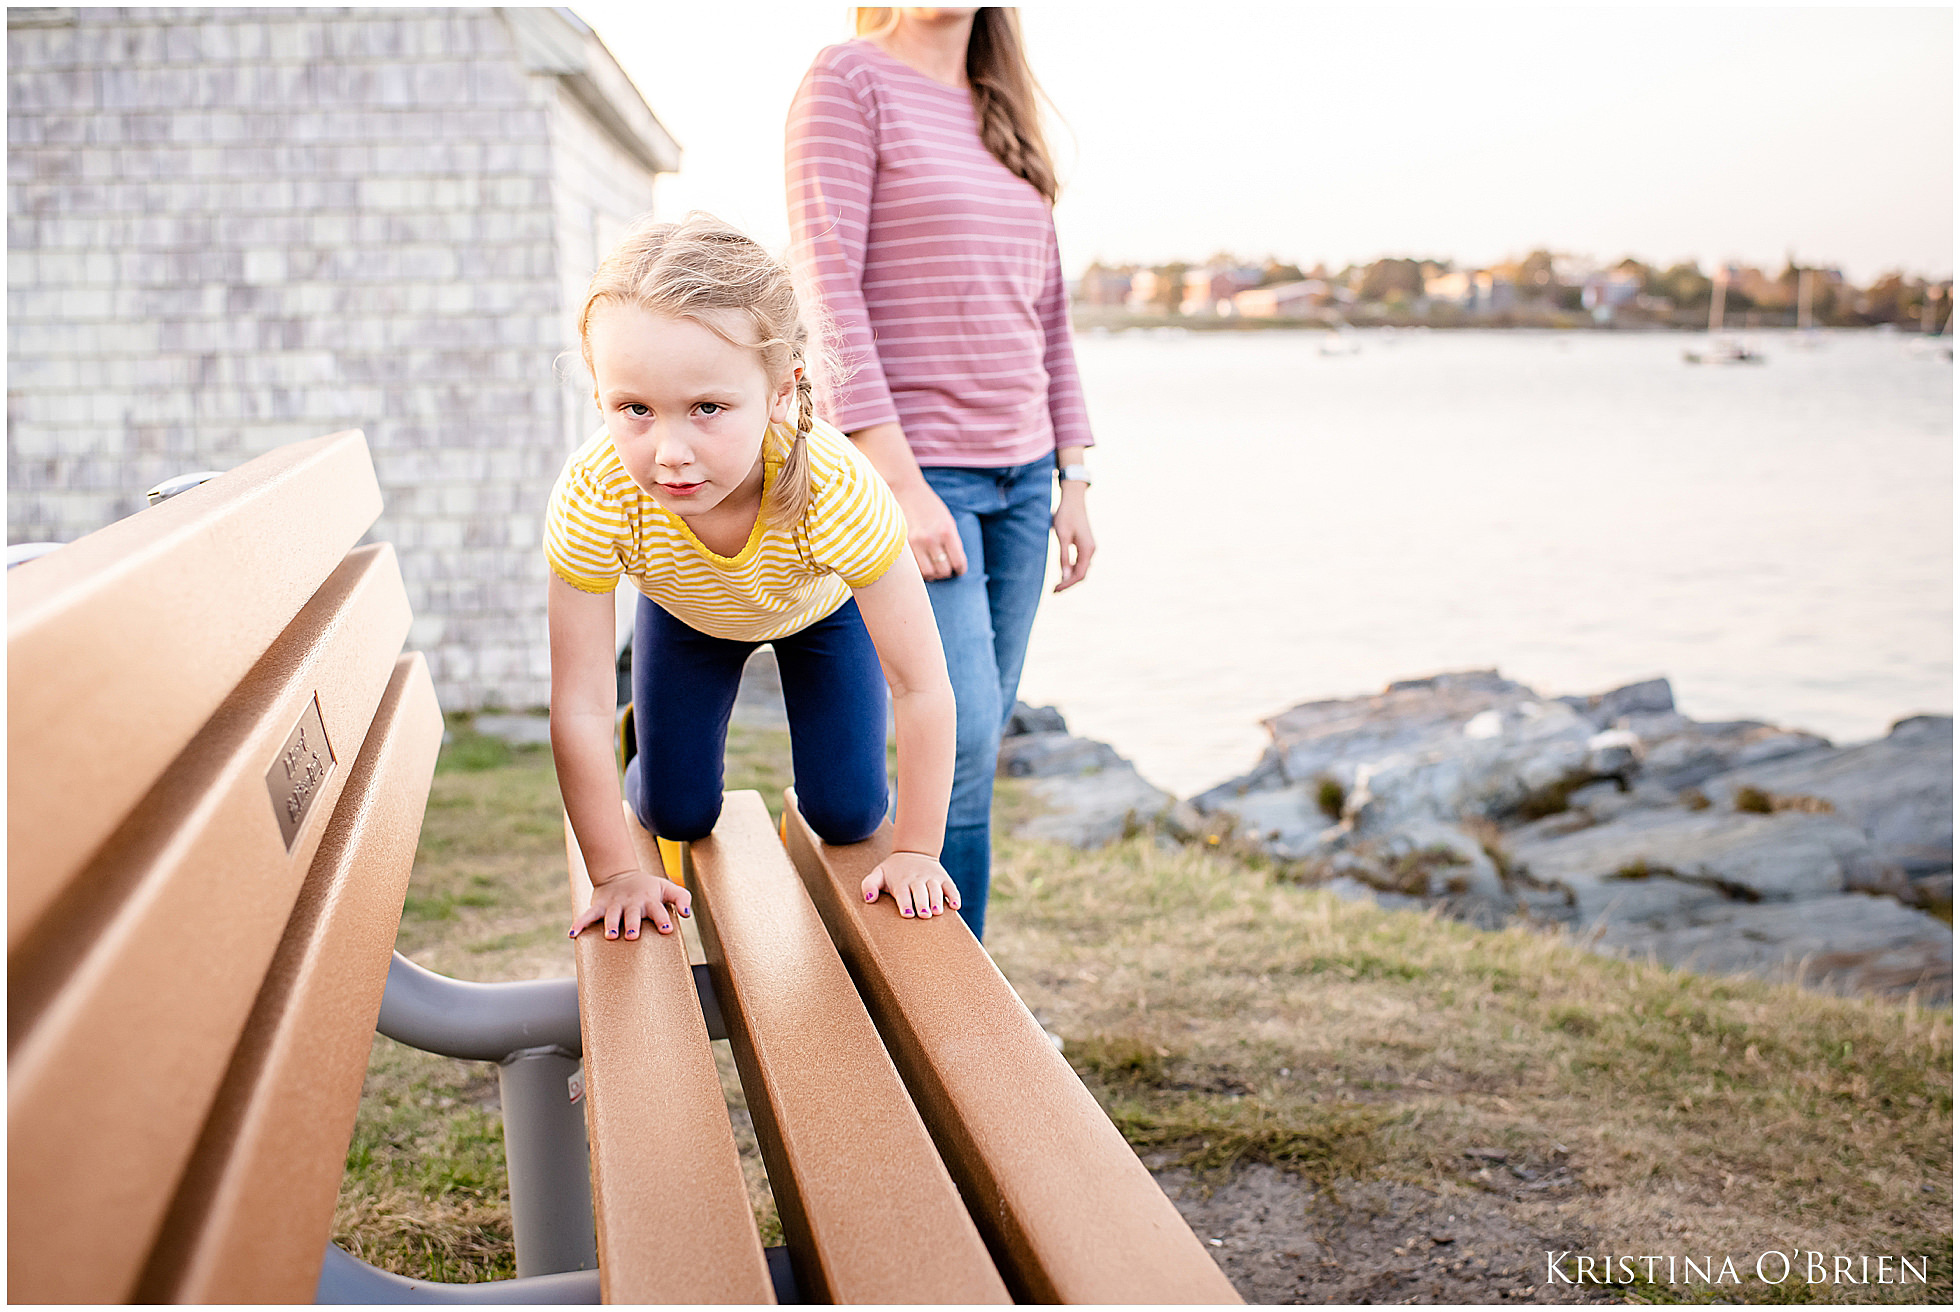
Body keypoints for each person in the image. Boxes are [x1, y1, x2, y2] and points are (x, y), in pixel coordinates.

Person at [547, 213, 959, 942]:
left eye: (707, 408)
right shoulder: (595, 494)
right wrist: (616, 873)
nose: (669, 451)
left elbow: (921, 686)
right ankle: (652, 740)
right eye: (633, 409)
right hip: (686, 614)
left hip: (819, 615)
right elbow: (576, 704)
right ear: (599, 395)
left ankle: (834, 790)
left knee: (848, 814)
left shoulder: (837, 488)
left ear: (780, 391)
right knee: (676, 813)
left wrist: (918, 852)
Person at [787, 6, 1096, 942]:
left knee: (977, 737)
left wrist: (1074, 474)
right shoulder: (849, 81)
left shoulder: (1003, 111)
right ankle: (934, 987)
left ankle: (953, 981)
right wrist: (897, 480)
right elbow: (824, 285)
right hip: (922, 475)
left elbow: (1049, 315)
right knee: (954, 728)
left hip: (1024, 474)